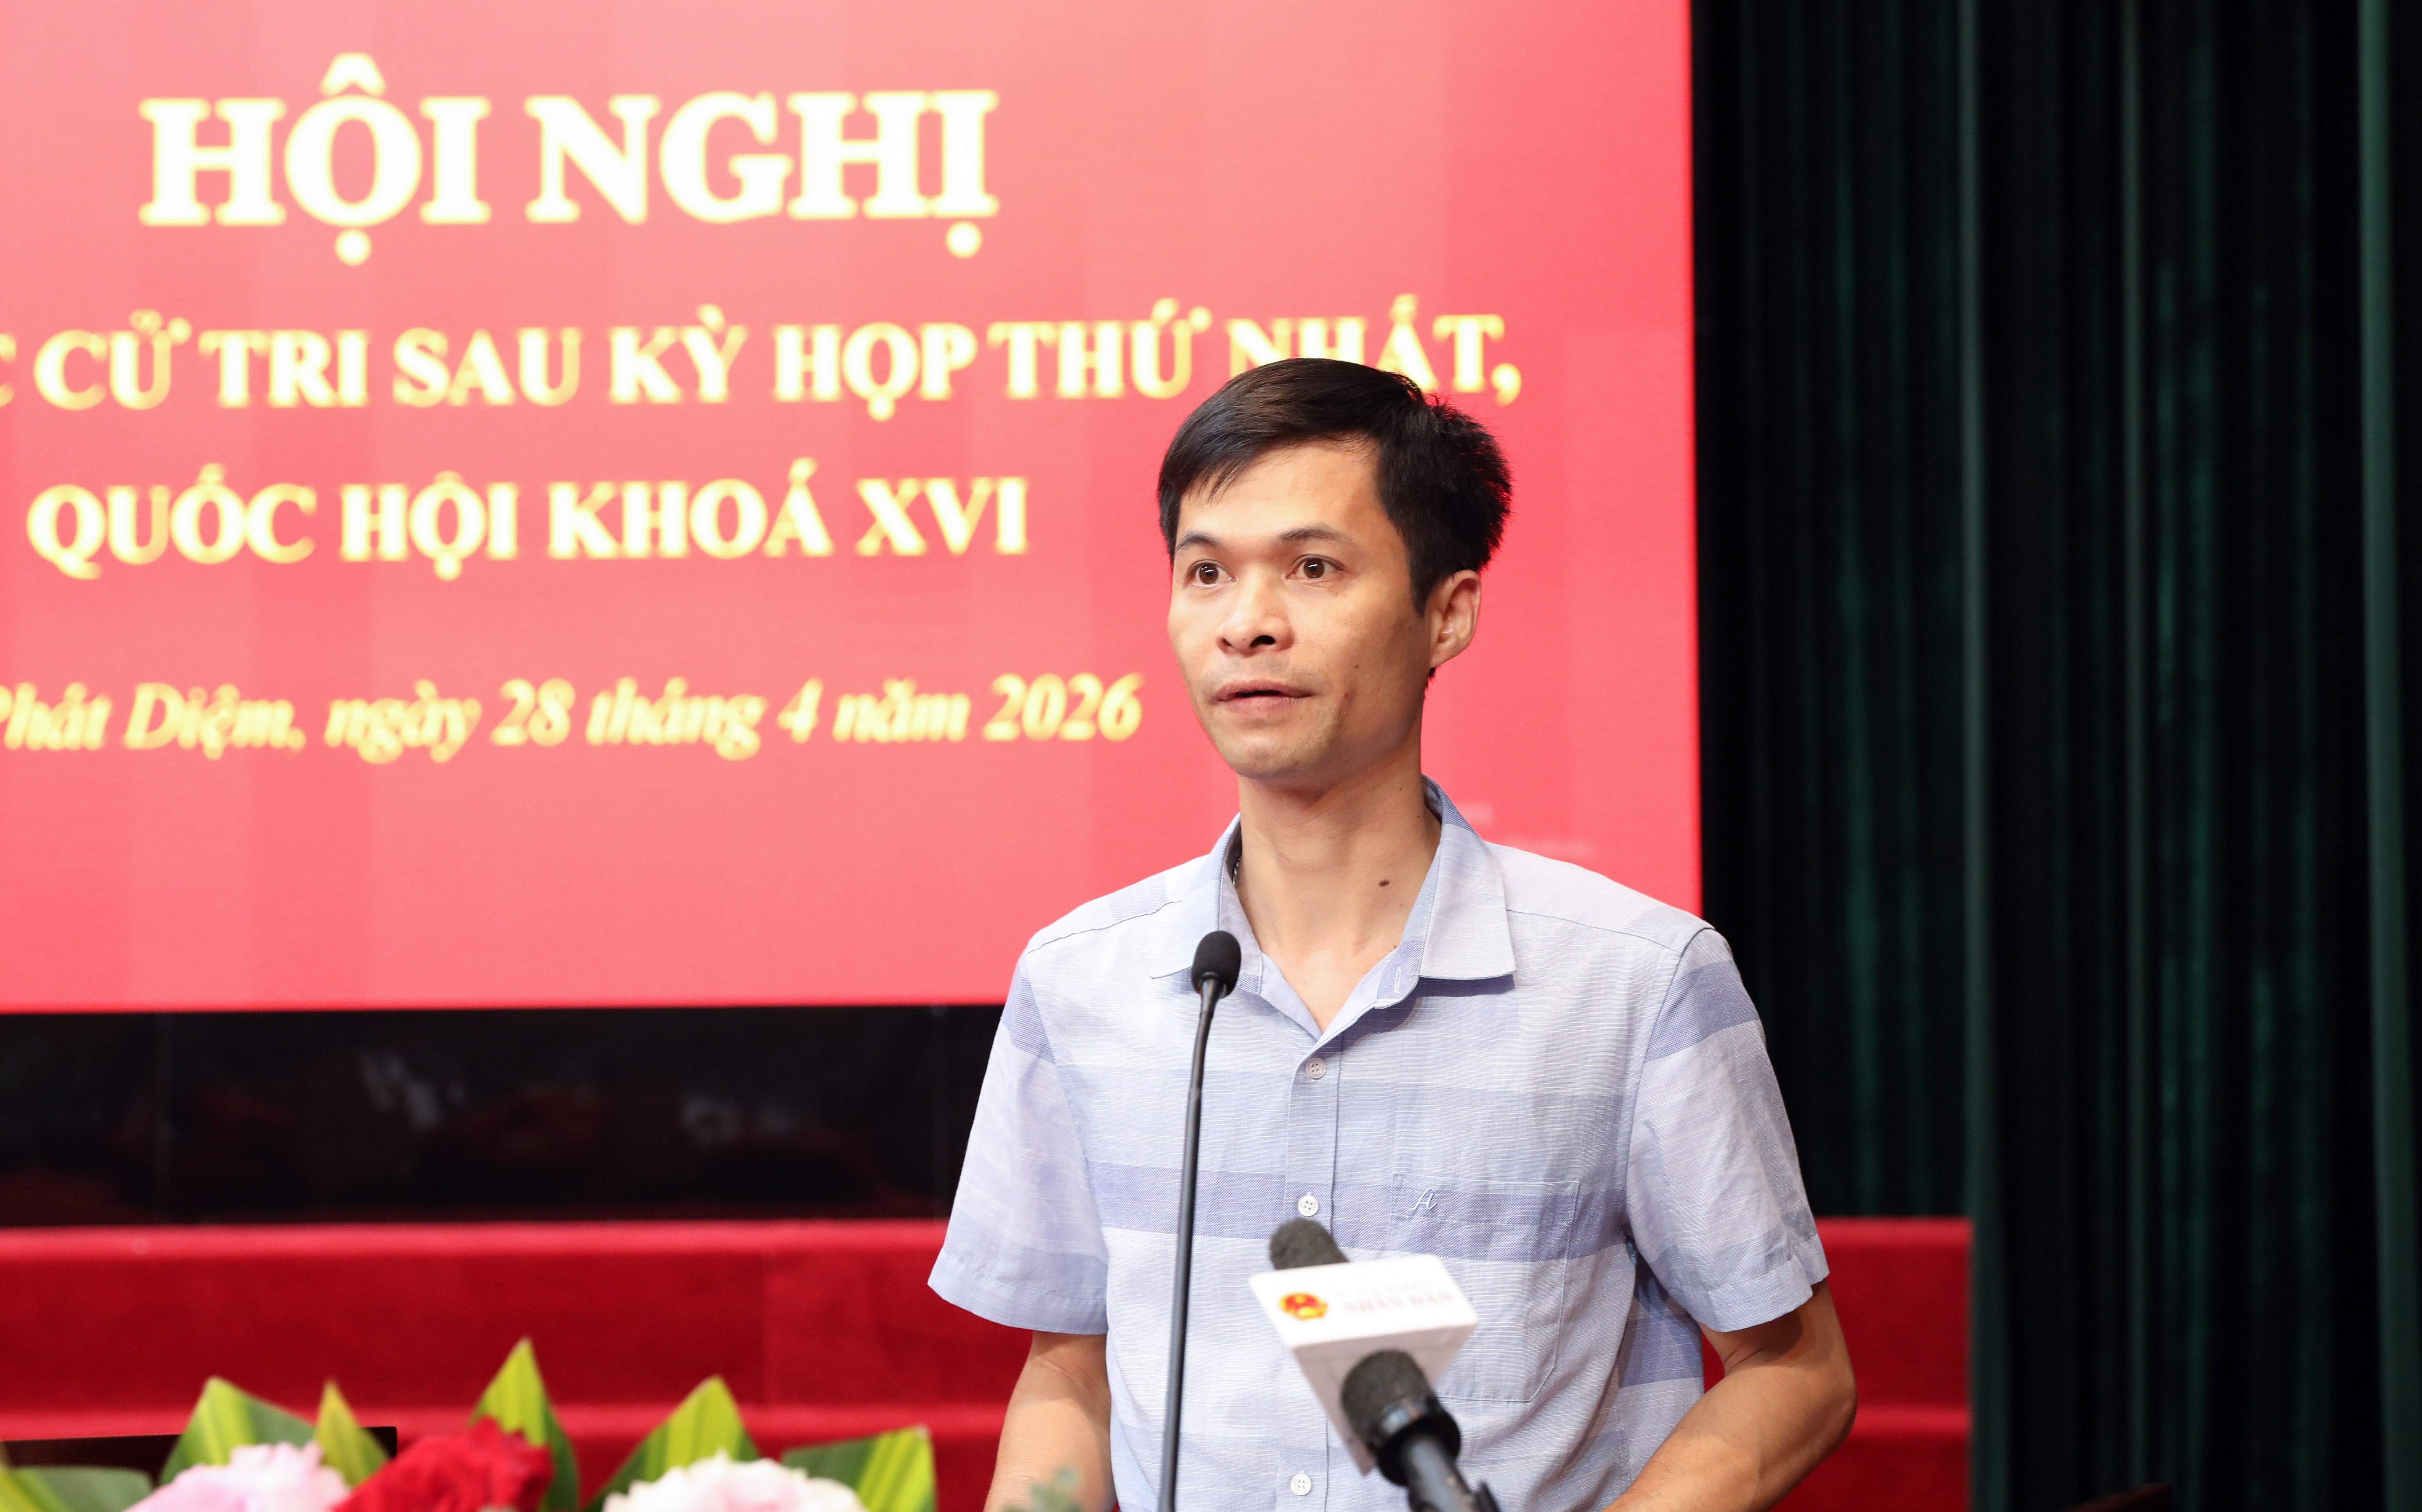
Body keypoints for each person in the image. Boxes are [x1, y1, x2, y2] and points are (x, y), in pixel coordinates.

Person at [929, 358, 1854, 1512]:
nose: (1248, 624)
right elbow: (1070, 1372)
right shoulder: (1082, 979)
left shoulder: (1636, 979)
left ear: (1446, 614)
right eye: (1206, 572)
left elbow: (1794, 1370)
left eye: (1312, 568)